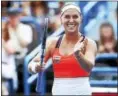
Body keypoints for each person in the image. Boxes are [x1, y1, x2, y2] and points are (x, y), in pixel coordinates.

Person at [28, 4, 97, 95]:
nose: (71, 20)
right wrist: (36, 67)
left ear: (81, 19)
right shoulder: (52, 42)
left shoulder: (89, 43)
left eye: (75, 17)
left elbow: (89, 67)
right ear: (61, 19)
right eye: (67, 17)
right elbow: (31, 66)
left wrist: (78, 55)